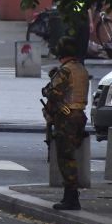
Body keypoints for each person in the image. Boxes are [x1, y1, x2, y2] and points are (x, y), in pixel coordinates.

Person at [41, 36, 88, 210]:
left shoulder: (65, 71)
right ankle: (71, 196)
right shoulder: (81, 69)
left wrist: (46, 88)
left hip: (66, 118)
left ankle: (71, 197)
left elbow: (53, 93)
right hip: (79, 116)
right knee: (70, 155)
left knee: (65, 157)